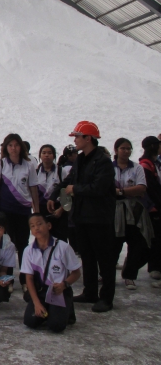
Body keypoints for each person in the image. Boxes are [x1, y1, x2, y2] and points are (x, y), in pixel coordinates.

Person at [49, 121, 116, 313]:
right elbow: (69, 181)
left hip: (99, 218)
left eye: (77, 137)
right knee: (87, 256)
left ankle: (107, 298)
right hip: (81, 217)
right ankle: (90, 292)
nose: (75, 140)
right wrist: (55, 194)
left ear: (88, 138)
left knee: (104, 258)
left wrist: (75, 189)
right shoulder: (81, 159)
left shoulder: (103, 162)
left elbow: (99, 188)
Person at [0, 133, 39, 291]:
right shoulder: (1, 164)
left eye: (16, 145)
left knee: (23, 245)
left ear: (21, 147)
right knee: (7, 245)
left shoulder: (29, 165)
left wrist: (36, 210)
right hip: (6, 211)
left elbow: (33, 188)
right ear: (6, 147)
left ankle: (25, 280)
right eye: (10, 145)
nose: (13, 148)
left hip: (23, 211)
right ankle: (9, 279)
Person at [22, 213, 81, 333]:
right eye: (32, 226)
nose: (36, 228)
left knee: (56, 326)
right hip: (40, 292)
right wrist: (37, 303)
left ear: (48, 226)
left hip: (58, 291)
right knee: (30, 321)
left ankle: (66, 310)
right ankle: (49, 309)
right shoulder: (28, 250)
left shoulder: (63, 247)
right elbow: (29, 278)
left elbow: (76, 273)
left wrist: (64, 284)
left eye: (39, 224)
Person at [111, 138, 149, 291]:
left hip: (133, 211)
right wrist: (128, 191)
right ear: (116, 150)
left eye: (129, 148)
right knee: (113, 244)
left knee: (136, 243)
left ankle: (130, 275)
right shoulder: (108, 168)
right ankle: (107, 275)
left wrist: (120, 191)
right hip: (113, 211)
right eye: (123, 148)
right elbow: (106, 189)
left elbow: (141, 188)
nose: (126, 151)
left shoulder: (137, 168)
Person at [139, 136, 161, 286]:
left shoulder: (154, 163)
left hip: (155, 206)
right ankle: (154, 266)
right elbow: (151, 189)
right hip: (153, 207)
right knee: (155, 238)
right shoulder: (146, 165)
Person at [37, 144, 67, 241]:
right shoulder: (35, 172)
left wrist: (61, 209)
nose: (46, 155)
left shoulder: (61, 171)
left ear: (54, 156)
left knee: (60, 238)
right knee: (43, 238)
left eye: (49, 153)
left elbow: (66, 193)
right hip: (41, 209)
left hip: (58, 210)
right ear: (40, 155)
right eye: (44, 153)